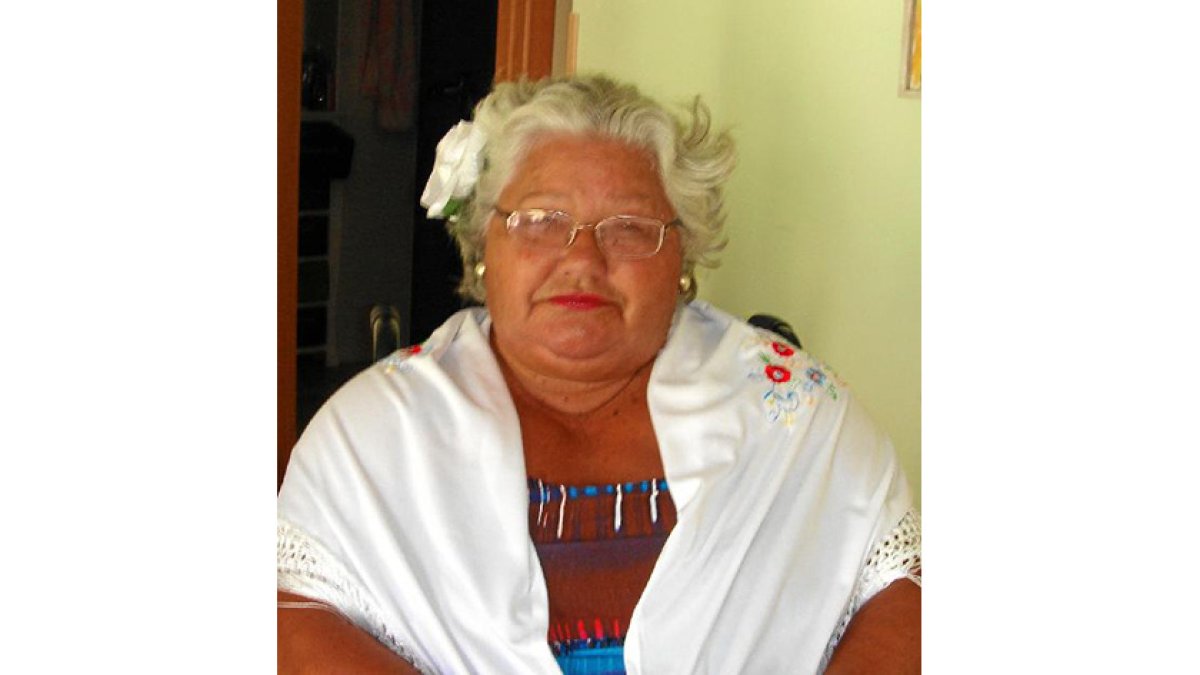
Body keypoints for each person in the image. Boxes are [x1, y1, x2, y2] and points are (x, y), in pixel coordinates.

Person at [278, 74, 921, 674]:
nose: (582, 259)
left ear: (682, 259)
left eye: (629, 229)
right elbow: (288, 617)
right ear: (483, 247)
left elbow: (904, 589)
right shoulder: (374, 430)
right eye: (541, 221)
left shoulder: (794, 410)